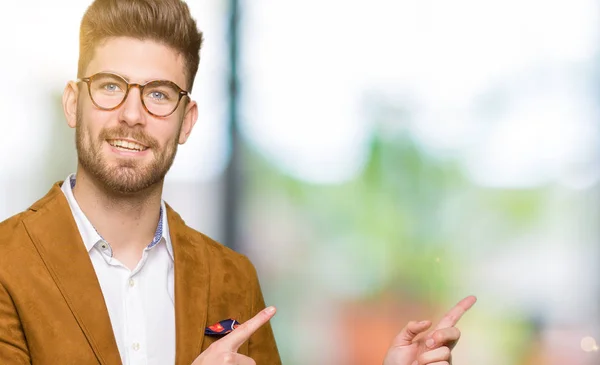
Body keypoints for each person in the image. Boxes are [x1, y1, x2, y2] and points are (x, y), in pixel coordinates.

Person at [0, 0, 475, 364]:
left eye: (159, 94)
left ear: (186, 122)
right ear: (72, 103)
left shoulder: (233, 279)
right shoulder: (7, 264)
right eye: (109, 86)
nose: (131, 114)